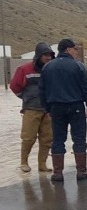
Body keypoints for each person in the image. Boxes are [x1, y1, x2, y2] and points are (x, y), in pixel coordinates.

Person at [39, 38, 87, 182]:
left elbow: (42, 91)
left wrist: (47, 109)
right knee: (79, 138)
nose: (76, 52)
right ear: (68, 49)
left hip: (56, 107)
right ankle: (81, 171)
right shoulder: (79, 66)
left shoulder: (47, 67)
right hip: (76, 106)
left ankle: (57, 173)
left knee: (58, 139)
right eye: (75, 49)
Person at [10, 42, 55, 173]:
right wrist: (25, 98)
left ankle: (42, 165)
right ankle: (24, 162)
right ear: (38, 55)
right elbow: (14, 86)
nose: (48, 58)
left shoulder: (52, 70)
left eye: (50, 55)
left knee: (47, 138)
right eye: (45, 55)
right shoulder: (24, 69)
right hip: (31, 109)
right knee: (28, 137)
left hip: (48, 110)